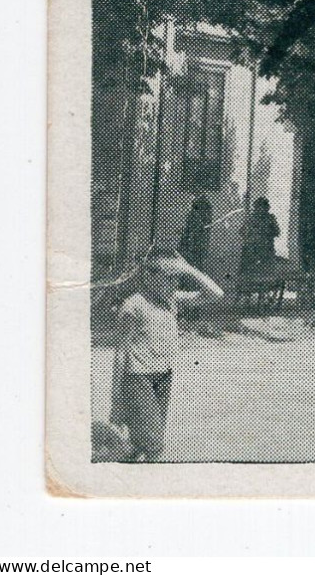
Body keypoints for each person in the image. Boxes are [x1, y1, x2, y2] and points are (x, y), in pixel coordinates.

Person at [110, 245, 223, 462]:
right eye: (168, 277)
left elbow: (216, 293)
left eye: (177, 278)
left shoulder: (172, 300)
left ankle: (131, 477)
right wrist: (116, 400)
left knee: (143, 440)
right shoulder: (133, 306)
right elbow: (120, 353)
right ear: (149, 276)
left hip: (163, 376)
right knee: (155, 445)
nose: (174, 283)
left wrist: (189, 269)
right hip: (137, 379)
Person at [239, 196, 281, 275]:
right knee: (248, 272)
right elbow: (242, 232)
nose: (261, 209)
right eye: (259, 206)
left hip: (266, 248)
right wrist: (251, 236)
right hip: (252, 249)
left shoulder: (270, 218)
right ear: (256, 207)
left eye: (263, 207)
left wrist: (267, 232)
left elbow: (277, 232)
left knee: (266, 272)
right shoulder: (250, 218)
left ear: (267, 208)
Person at [177, 194, 212, 269]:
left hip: (196, 243)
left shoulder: (199, 212)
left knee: (196, 262)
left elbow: (205, 225)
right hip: (192, 244)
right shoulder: (192, 214)